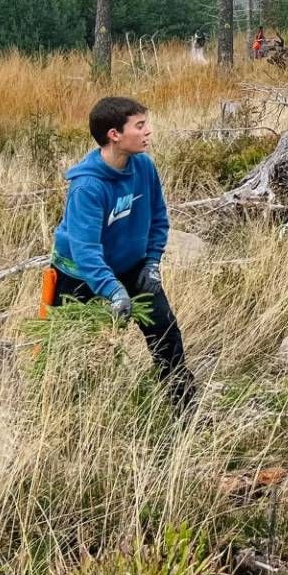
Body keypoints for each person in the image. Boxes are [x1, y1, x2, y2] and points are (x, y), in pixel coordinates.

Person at [48, 96, 195, 408]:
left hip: (133, 268)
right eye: (139, 126)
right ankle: (68, 417)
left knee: (166, 335)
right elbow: (85, 251)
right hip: (79, 277)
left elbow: (159, 218)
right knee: (74, 350)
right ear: (114, 134)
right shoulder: (88, 187)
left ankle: (186, 412)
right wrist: (113, 291)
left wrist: (152, 263)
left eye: (146, 124)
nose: (148, 132)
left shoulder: (143, 166)